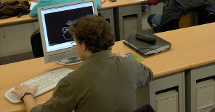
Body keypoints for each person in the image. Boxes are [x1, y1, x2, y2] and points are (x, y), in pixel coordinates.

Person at [12, 15, 153, 112]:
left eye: (75, 42)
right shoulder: (130, 66)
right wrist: (127, 59)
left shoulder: (72, 81)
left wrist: (26, 95)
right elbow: (148, 74)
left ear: (84, 46)